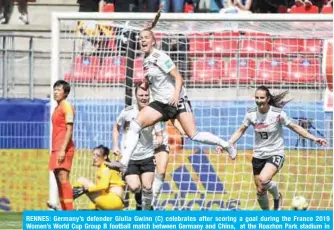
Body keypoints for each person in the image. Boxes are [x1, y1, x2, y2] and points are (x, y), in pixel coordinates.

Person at [110, 4, 236, 173]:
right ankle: (124, 163)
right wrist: (145, 84)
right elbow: (155, 80)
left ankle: (226, 144)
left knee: (193, 135)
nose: (143, 40)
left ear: (154, 41)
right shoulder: (146, 60)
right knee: (135, 125)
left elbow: (178, 78)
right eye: (141, 39)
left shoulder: (160, 56)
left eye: (146, 38)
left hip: (176, 101)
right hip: (161, 103)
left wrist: (176, 95)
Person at [218, 85, 328, 210]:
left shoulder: (278, 114)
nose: (259, 100)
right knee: (260, 190)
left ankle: (277, 197)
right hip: (258, 155)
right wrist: (227, 144)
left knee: (264, 179)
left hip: (275, 153)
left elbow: (295, 127)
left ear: (268, 98)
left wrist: (314, 138)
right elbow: (240, 130)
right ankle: (268, 217)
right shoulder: (251, 114)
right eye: (257, 98)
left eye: (262, 98)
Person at [110, 82, 164, 210]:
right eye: (141, 95)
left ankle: (145, 209)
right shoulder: (127, 112)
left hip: (147, 156)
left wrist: (159, 140)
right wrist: (115, 145)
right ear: (135, 95)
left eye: (146, 95)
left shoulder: (154, 113)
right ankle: (141, 204)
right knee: (135, 187)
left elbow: (159, 134)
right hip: (130, 158)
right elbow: (116, 128)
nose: (144, 97)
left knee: (148, 187)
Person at [48, 80, 75, 210]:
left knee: (63, 179)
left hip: (64, 148)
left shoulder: (66, 106)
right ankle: (63, 211)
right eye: (54, 89)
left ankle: (70, 213)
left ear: (65, 93)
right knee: (58, 180)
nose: (55, 92)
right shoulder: (56, 108)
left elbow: (69, 129)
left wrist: (63, 149)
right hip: (56, 148)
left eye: (58, 89)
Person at [73, 145, 125, 210]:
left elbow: (104, 186)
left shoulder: (105, 168)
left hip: (112, 201)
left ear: (105, 157)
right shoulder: (107, 167)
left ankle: (66, 202)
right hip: (117, 203)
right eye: (93, 155)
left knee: (81, 180)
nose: (94, 158)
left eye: (97, 155)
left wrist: (87, 189)